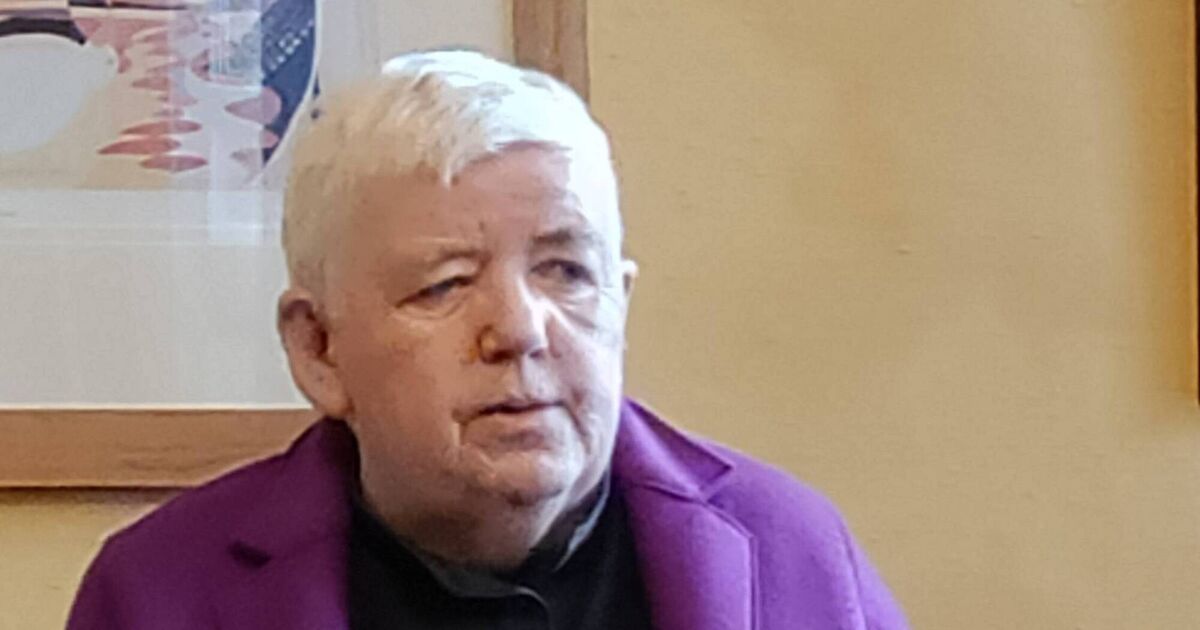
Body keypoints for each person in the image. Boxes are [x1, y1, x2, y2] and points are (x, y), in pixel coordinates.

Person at [66, 50, 909, 630]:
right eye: (445, 284)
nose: (519, 330)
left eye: (566, 272)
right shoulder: (161, 594)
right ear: (318, 350)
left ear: (620, 304)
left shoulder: (790, 550)